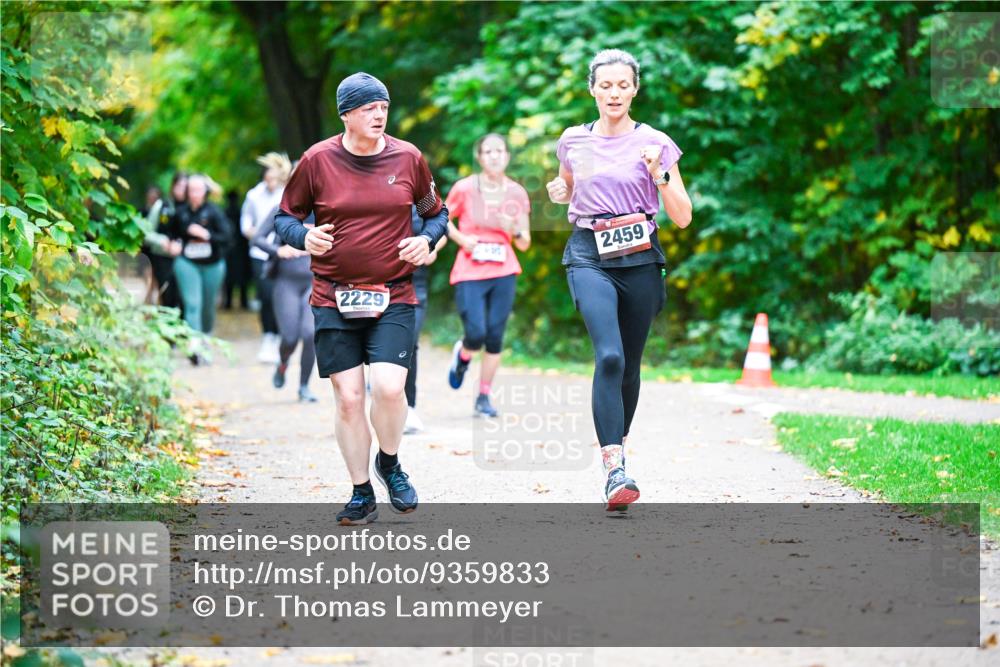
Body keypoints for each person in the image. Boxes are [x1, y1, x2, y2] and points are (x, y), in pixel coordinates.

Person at [274, 72, 448, 526]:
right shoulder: (317, 160)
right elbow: (284, 218)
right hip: (333, 296)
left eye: (384, 107)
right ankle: (360, 493)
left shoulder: (408, 158)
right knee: (349, 399)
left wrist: (426, 241)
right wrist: (304, 235)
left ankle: (389, 463)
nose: (379, 115)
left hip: (393, 293)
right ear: (346, 114)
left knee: (390, 388)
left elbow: (437, 214)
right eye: (369, 108)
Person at [546, 49, 692, 511]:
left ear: (634, 89)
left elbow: (683, 217)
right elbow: (568, 184)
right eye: (605, 85)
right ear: (592, 89)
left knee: (629, 364)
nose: (614, 93)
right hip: (589, 253)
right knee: (608, 356)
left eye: (622, 85)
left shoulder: (656, 142)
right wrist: (560, 189)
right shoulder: (572, 139)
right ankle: (614, 468)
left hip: (641, 258)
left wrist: (660, 174)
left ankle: (618, 450)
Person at [444, 133, 531, 417]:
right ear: (479, 157)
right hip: (470, 269)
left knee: (494, 336)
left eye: (500, 151)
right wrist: (462, 239)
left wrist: (513, 229)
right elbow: (441, 220)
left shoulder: (517, 192)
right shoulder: (465, 188)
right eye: (488, 152)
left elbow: (524, 241)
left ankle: (483, 396)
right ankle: (464, 354)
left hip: (504, 269)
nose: (495, 156)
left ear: (507, 156)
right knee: (476, 333)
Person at [252, 207, 318, 403]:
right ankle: (282, 363)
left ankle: (304, 386)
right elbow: (257, 239)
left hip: (315, 281)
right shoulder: (283, 209)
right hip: (286, 282)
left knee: (310, 333)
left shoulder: (326, 205)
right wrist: (278, 250)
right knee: (289, 337)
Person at [170, 174, 233, 364]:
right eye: (191, 190)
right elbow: (171, 234)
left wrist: (206, 235)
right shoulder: (180, 213)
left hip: (213, 265)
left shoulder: (214, 212)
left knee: (207, 306)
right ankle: (195, 347)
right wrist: (172, 244)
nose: (194, 194)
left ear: (205, 192)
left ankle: (205, 336)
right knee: (192, 304)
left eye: (198, 190)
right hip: (187, 263)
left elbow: (228, 237)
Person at [242, 153, 291, 364]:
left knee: (280, 296)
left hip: (283, 255)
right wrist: (262, 236)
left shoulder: (285, 195)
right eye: (268, 177)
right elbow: (246, 226)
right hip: (261, 253)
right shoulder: (253, 196)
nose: (272, 181)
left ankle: (282, 337)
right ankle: (268, 336)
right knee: (266, 295)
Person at [404, 205, 447, 434]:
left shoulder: (421, 194)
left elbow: (442, 229)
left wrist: (431, 246)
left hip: (415, 283)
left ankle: (408, 407)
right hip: (378, 281)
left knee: (410, 342)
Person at [223, 189, 252, 310]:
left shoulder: (225, 213)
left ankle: (229, 302)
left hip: (231, 250)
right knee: (242, 277)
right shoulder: (241, 212)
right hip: (241, 250)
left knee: (231, 277)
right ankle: (243, 302)